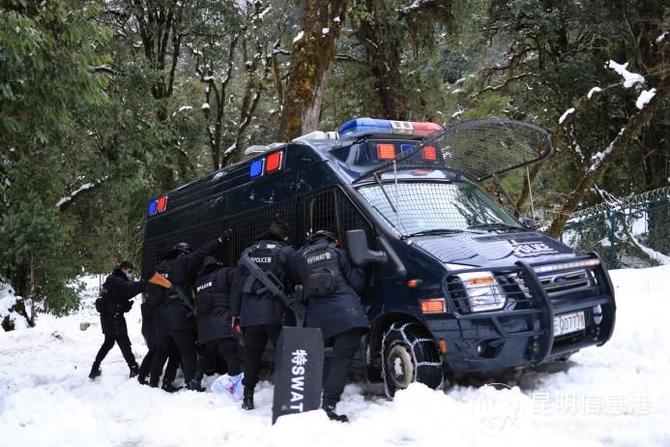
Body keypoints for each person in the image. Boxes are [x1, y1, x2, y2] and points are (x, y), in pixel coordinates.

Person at [290, 230, 369, 422]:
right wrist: (362, 267)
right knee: (340, 361)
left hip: (318, 319)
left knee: (313, 360)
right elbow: (356, 283)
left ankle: (302, 402)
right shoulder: (338, 253)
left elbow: (297, 280)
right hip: (347, 315)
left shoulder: (299, 257)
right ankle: (328, 405)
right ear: (334, 241)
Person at [149, 233, 230, 391]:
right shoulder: (181, 263)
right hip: (177, 317)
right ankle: (191, 385)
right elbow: (201, 252)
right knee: (188, 351)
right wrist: (219, 240)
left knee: (164, 350)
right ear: (184, 253)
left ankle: (155, 383)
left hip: (160, 319)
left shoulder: (159, 268)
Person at [231, 220, 295, 410]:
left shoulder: (248, 253)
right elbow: (295, 277)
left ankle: (248, 398)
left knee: (251, 357)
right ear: (284, 237)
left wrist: (235, 313)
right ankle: (288, 398)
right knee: (284, 355)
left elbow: (236, 287)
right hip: (275, 314)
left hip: (249, 316)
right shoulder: (284, 252)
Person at [190, 256, 242, 391]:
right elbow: (237, 287)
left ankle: (196, 379)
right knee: (231, 353)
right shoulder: (226, 272)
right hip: (222, 321)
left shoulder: (199, 282)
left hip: (205, 326)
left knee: (208, 353)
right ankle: (234, 385)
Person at [89, 261, 147, 379]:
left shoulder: (112, 279)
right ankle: (133, 367)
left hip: (108, 317)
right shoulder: (117, 280)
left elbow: (118, 296)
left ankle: (95, 368)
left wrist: (126, 305)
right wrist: (145, 284)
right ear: (123, 269)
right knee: (123, 341)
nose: (130, 274)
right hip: (114, 317)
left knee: (109, 342)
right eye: (129, 271)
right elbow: (130, 287)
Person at [137, 273, 181, 391]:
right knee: (165, 351)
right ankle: (158, 380)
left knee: (156, 350)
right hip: (157, 323)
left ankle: (147, 377)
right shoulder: (161, 286)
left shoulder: (151, 286)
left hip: (150, 322)